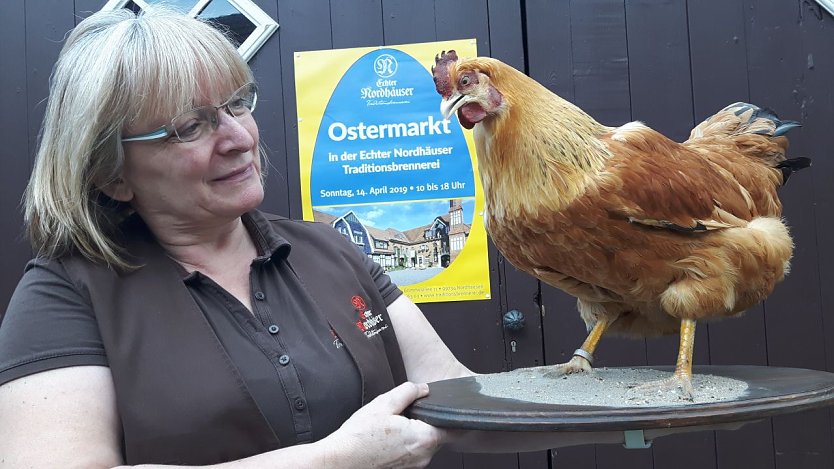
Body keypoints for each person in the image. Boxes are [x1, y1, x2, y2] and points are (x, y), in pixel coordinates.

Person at [0, 8, 710, 469]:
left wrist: (645, 410)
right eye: (190, 126)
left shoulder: (326, 251)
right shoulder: (67, 295)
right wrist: (332, 459)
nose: (238, 137)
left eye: (236, 104)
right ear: (112, 172)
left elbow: (463, 403)